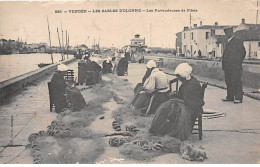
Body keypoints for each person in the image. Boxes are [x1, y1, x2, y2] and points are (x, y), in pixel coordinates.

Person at [149, 63, 204, 140]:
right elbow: (183, 96)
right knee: (166, 109)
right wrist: (175, 95)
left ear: (183, 76)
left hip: (190, 109)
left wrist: (175, 97)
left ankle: (163, 130)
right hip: (187, 104)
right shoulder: (189, 80)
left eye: (178, 77)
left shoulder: (191, 85)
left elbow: (188, 101)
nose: (178, 78)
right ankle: (161, 129)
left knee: (167, 111)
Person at [222, 27, 246, 104]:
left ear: (232, 32)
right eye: (226, 32)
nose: (227, 34)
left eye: (228, 32)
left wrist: (238, 63)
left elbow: (242, 53)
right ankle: (230, 96)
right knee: (228, 81)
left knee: (236, 81)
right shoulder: (227, 41)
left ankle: (238, 98)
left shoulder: (237, 41)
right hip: (227, 67)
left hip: (235, 67)